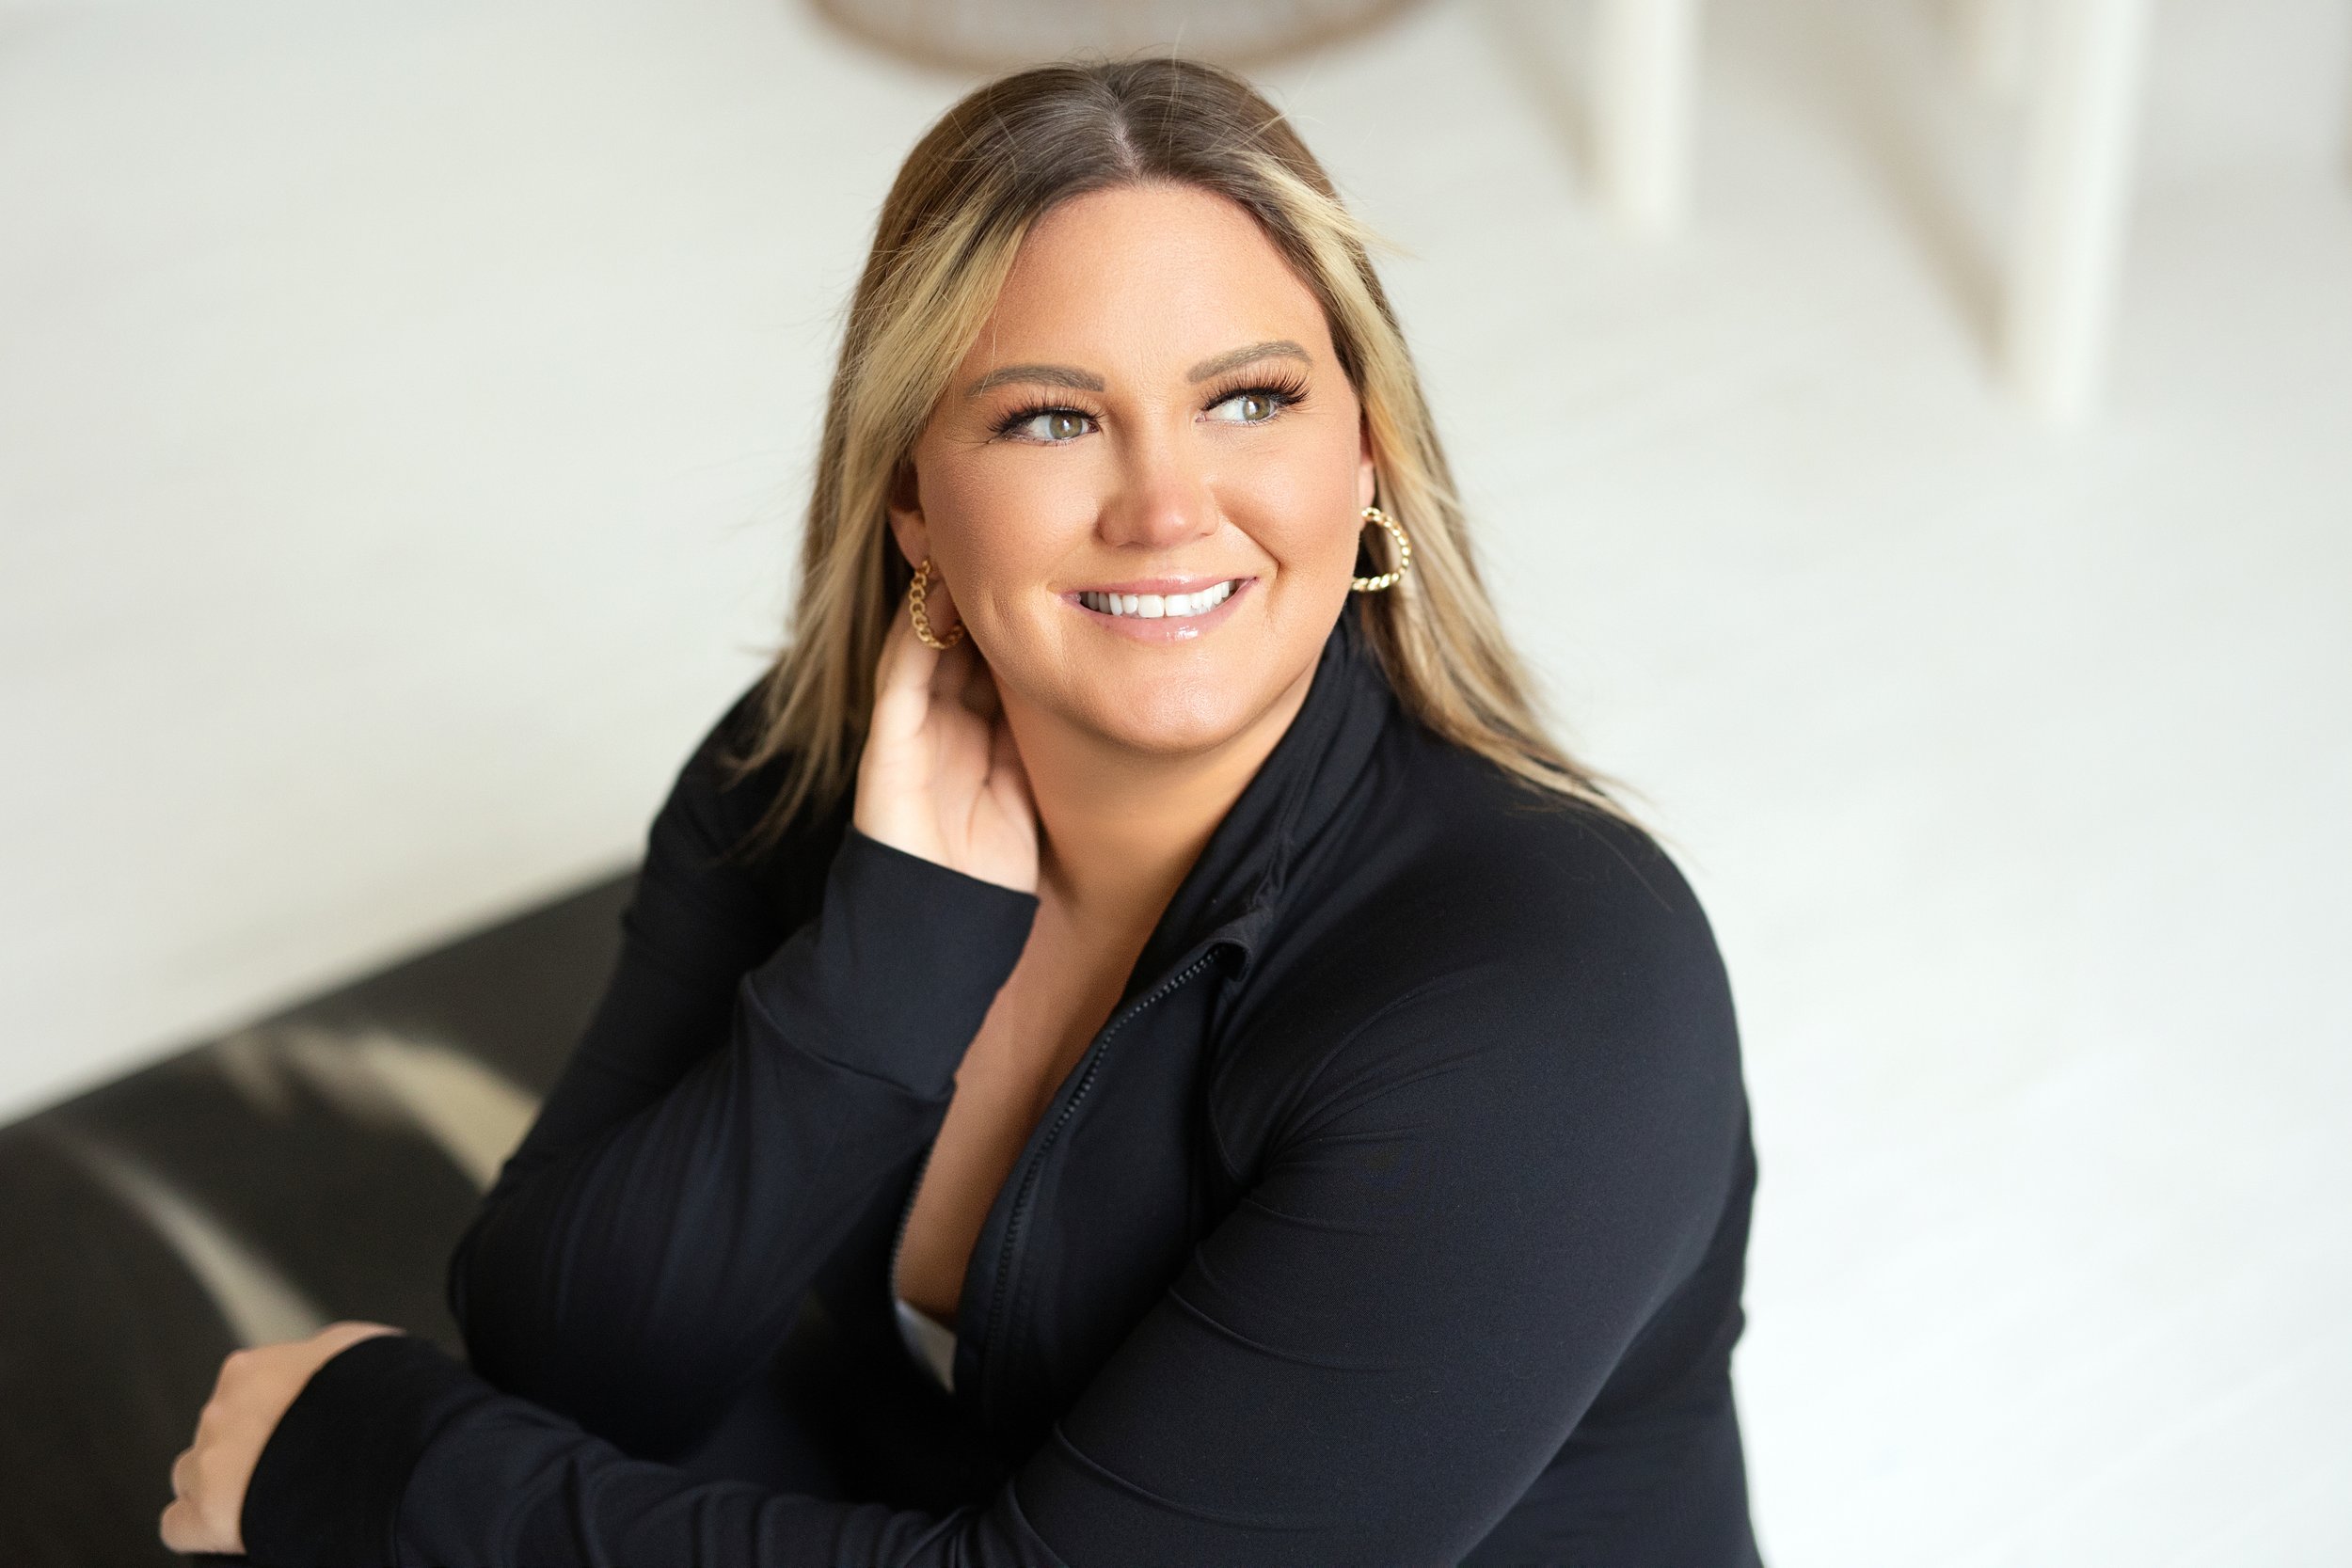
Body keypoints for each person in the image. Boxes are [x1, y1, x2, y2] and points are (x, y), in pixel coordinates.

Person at [162, 55, 1761, 1567]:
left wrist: (387, 1470)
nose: (1165, 508)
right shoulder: (804, 771)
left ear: (1369, 459)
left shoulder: (1557, 1000)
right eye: (1051, 417)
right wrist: (889, 967)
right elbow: (574, 1367)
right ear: (915, 502)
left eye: (1249, 399)